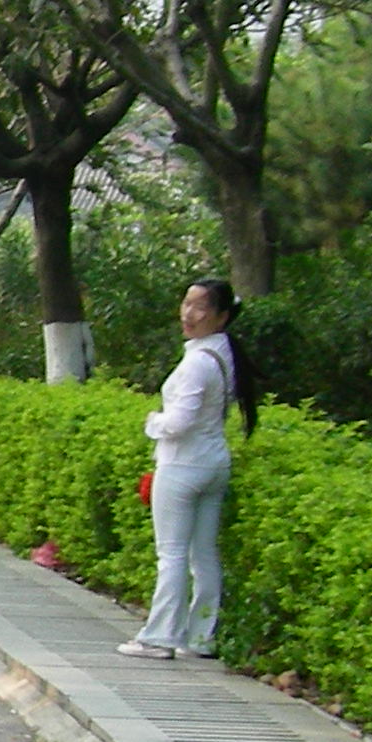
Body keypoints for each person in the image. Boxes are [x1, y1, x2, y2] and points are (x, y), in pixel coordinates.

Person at [120, 278, 258, 661]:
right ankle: (201, 637)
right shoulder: (222, 352)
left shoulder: (198, 362)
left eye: (200, 307)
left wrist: (153, 423)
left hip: (182, 465)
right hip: (214, 463)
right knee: (204, 554)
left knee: (172, 554)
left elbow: (180, 422)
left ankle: (159, 637)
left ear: (222, 316)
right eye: (186, 303)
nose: (188, 313)